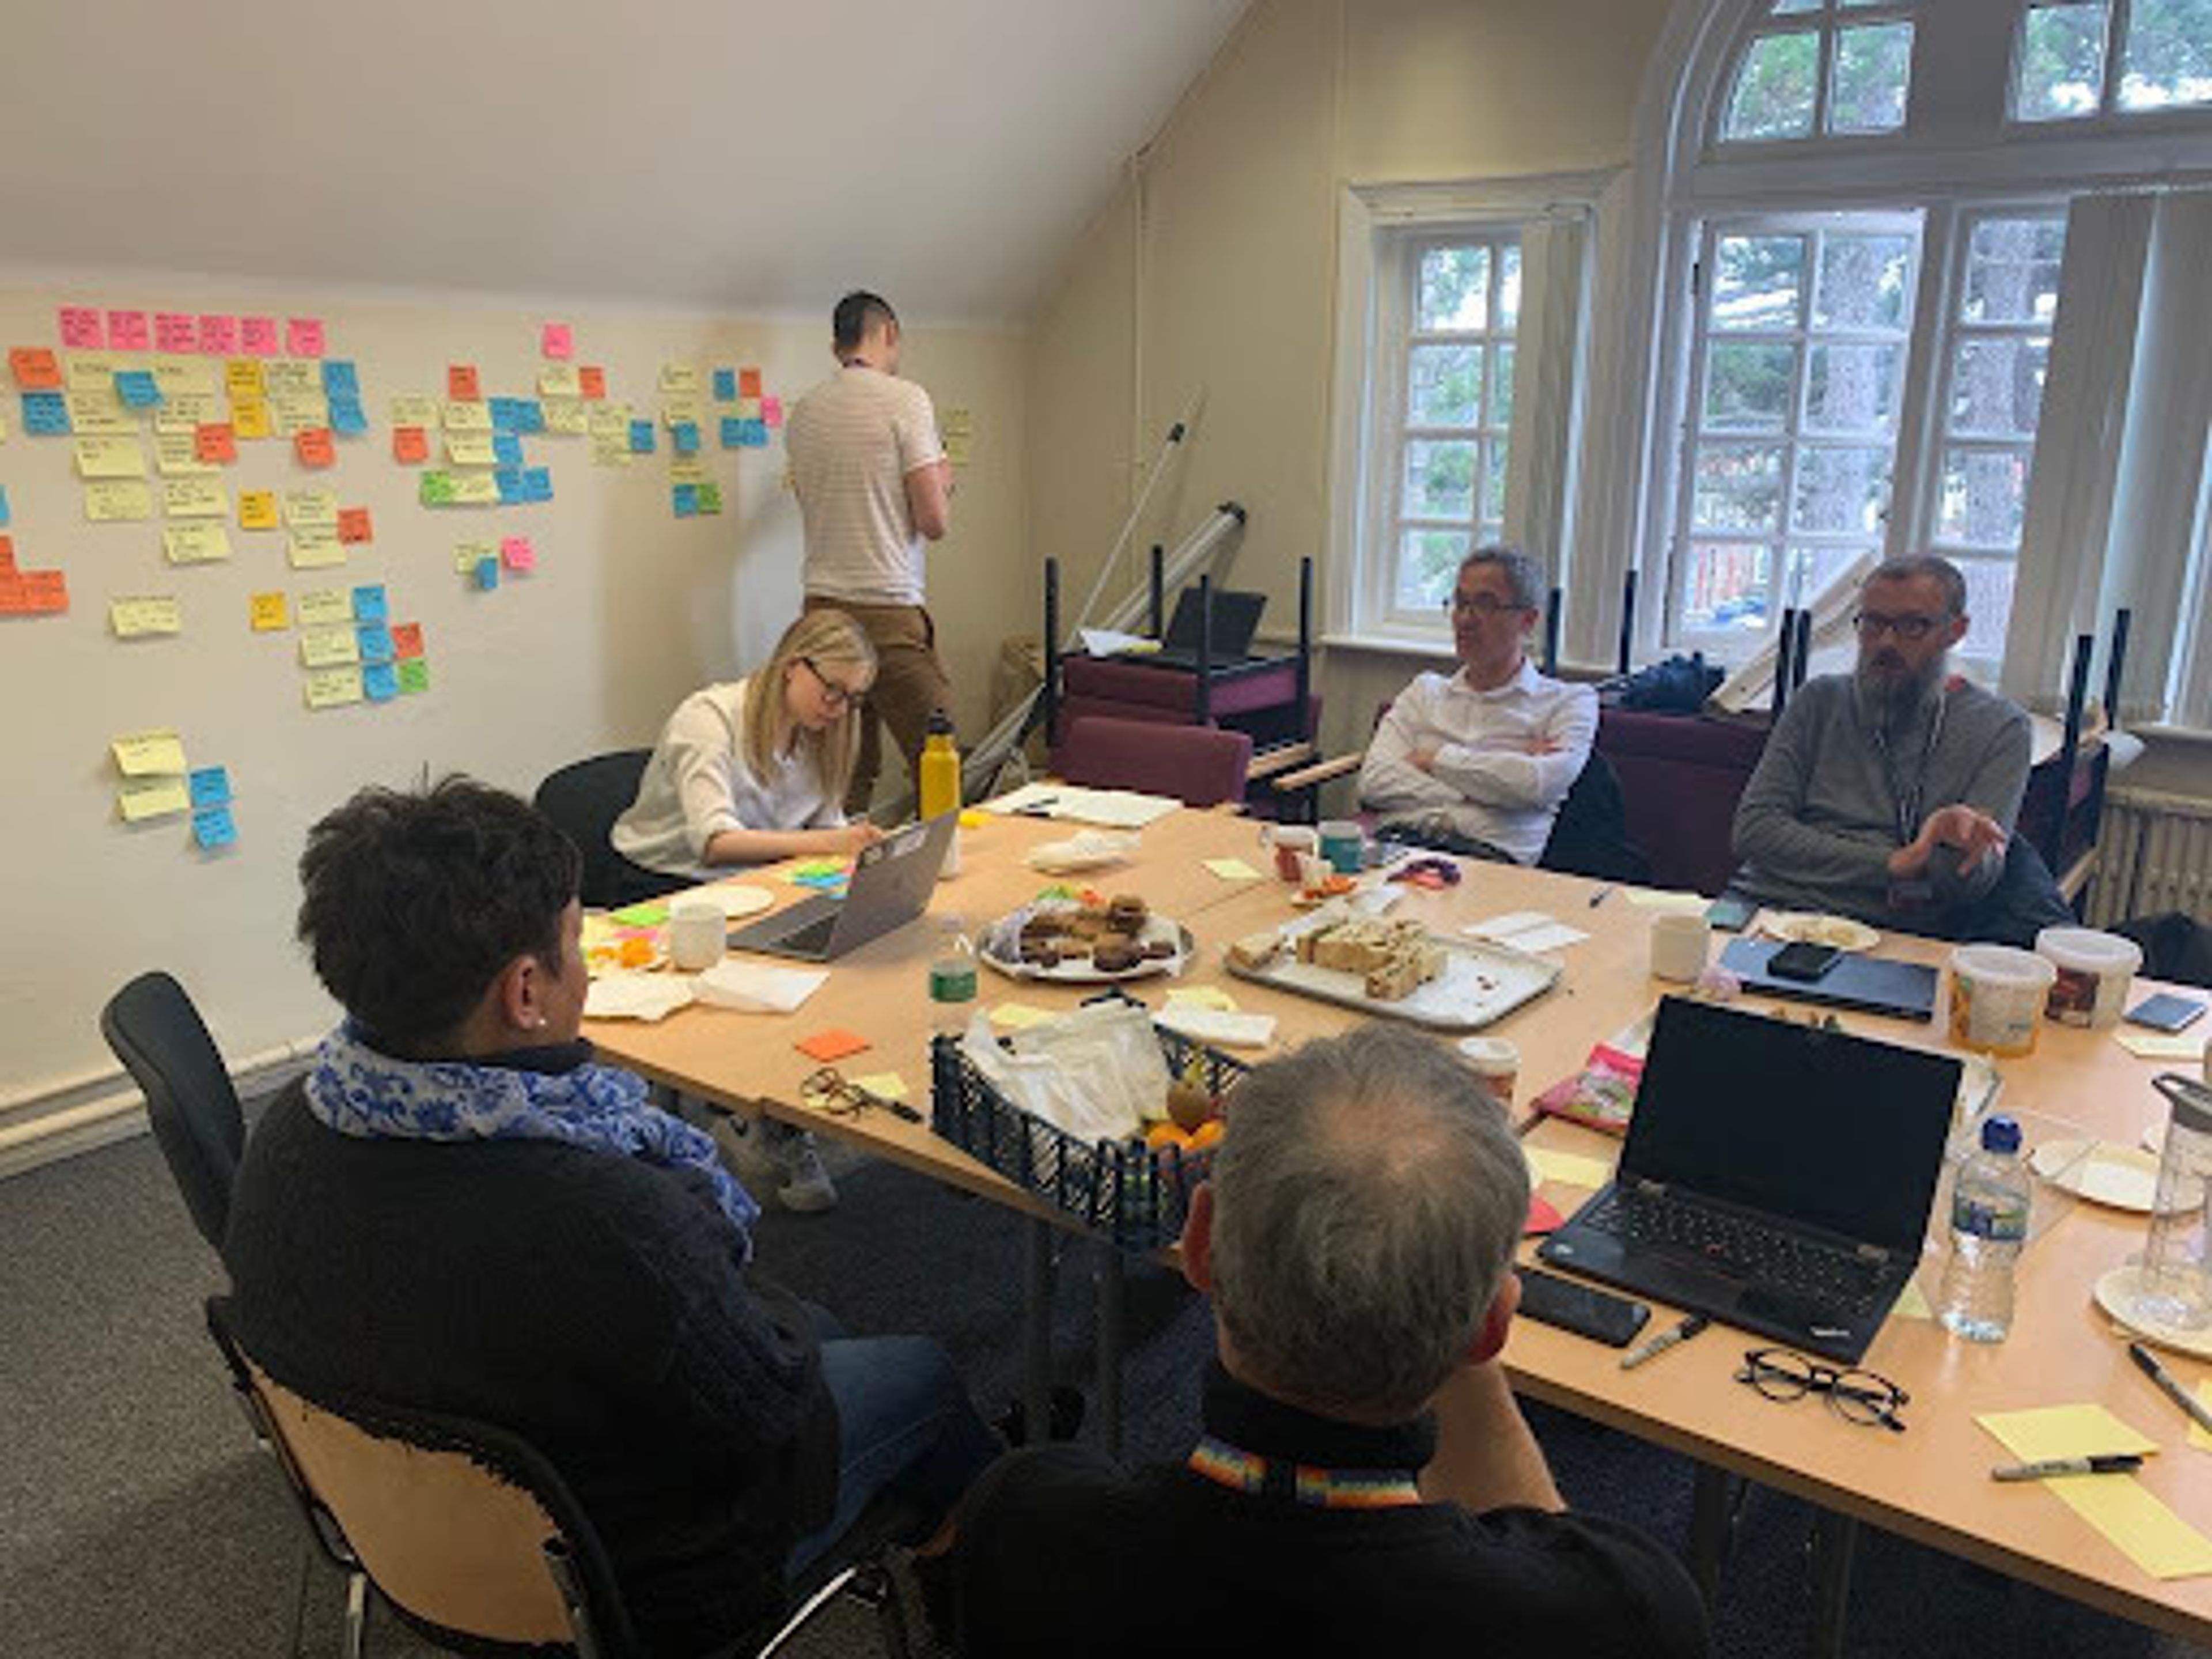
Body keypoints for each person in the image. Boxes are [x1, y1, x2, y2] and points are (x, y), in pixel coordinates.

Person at [225, 778, 999, 1658]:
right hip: (639, 1575)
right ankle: (970, 1586)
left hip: (394, 1509)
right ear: (526, 991)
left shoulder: (292, 1125)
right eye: (575, 941)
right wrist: (738, 1285)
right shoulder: (608, 1216)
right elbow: (764, 1414)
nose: (585, 968)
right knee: (925, 1377)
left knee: (810, 1327)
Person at [951, 1024, 1709, 1658]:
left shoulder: (1027, 1528)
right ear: (1492, 1329)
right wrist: (1453, 1314)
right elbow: (1555, 1551)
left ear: (1201, 1246)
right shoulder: (1623, 1618)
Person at [610, 609, 887, 1210]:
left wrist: (861, 856)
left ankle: (773, 1104)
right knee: (763, 968)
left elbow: (827, 827)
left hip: (762, 878)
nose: (839, 708)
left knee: (842, 942)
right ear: (793, 668)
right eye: (832, 690)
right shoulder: (708, 720)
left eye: (854, 697)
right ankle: (743, 1112)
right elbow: (714, 841)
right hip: (668, 881)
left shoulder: (826, 734)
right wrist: (828, 846)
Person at [1730, 554, 2037, 938]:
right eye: (1873, 623)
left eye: (1912, 626)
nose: (1886, 643)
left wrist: (1948, 844)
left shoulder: (2001, 728)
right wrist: (1894, 862)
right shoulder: (1819, 701)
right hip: (1762, 906)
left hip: (1892, 930)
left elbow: (1970, 882)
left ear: (1955, 631)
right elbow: (1754, 832)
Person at [785, 289, 957, 816]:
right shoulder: (905, 399)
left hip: (821, 612)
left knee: (842, 775)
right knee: (939, 758)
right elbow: (933, 522)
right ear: (888, 334)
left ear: (836, 342)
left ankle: (838, 886)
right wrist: (944, 482)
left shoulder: (805, 412)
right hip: (888, 607)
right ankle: (942, 876)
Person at [1358, 546, 1598, 864]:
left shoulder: (1570, 702)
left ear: (1528, 620)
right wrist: (1485, 788)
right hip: (1401, 848)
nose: (1466, 620)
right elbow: (1373, 782)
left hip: (1492, 863)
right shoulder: (1424, 692)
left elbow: (1535, 784)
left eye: (1485, 604)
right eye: (1460, 602)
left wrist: (1436, 759)